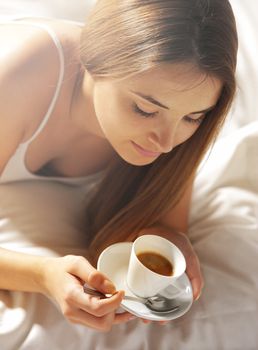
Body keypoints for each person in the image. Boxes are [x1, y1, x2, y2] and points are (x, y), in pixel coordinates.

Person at [0, 0, 237, 332]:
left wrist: (164, 239)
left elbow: (163, 222)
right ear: (94, 62)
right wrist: (41, 275)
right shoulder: (17, 75)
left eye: (193, 117)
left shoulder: (173, 124)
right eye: (144, 109)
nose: (167, 143)